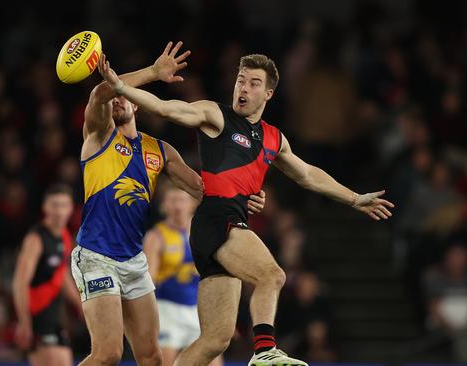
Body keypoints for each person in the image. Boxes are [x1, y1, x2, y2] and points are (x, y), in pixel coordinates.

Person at [98, 50, 395, 366]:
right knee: (273, 275)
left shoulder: (273, 139)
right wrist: (121, 87)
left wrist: (353, 198)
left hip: (224, 227)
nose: (244, 88)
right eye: (241, 80)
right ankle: (265, 350)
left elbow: (308, 174)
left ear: (268, 93)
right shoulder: (216, 115)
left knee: (215, 340)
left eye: (254, 83)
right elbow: (168, 109)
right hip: (216, 220)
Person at [71, 41, 267, 366]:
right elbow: (98, 95)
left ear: (137, 106)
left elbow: (204, 189)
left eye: (126, 96)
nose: (118, 98)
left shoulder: (159, 151)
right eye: (116, 93)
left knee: (151, 358)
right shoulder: (98, 137)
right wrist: (152, 73)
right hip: (96, 257)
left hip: (133, 262)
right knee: (108, 354)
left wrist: (244, 195)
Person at [143, 183, 226, 366]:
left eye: (181, 200)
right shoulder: (156, 237)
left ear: (192, 204)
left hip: (199, 310)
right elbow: (149, 279)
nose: (177, 206)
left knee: (214, 362)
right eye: (172, 201)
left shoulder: (205, 233)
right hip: (167, 309)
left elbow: (218, 275)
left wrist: (223, 313)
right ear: (164, 205)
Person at [12, 184, 81, 366]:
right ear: (45, 207)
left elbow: (61, 274)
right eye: (54, 205)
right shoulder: (36, 239)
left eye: (64, 205)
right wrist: (24, 321)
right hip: (37, 316)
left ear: (71, 208)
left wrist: (80, 304)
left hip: (55, 317)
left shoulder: (65, 236)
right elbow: (20, 282)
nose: (59, 211)